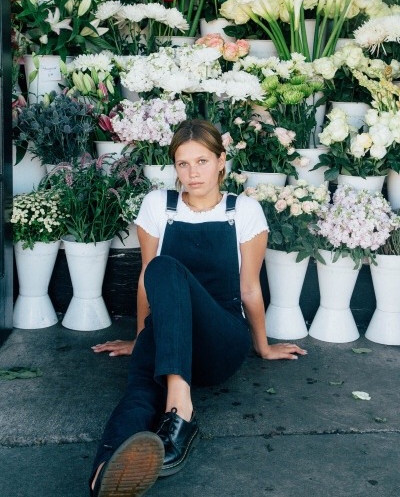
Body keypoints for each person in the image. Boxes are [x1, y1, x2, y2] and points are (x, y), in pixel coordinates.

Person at [90, 119, 307, 497]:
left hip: (219, 339)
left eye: (202, 161)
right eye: (183, 163)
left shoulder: (244, 210)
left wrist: (263, 346)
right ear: (174, 166)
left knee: (166, 267)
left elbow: (250, 289)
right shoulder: (158, 204)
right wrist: (141, 338)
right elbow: (146, 281)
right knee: (139, 392)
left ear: (222, 162)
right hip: (168, 335)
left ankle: (179, 406)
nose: (192, 173)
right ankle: (103, 475)